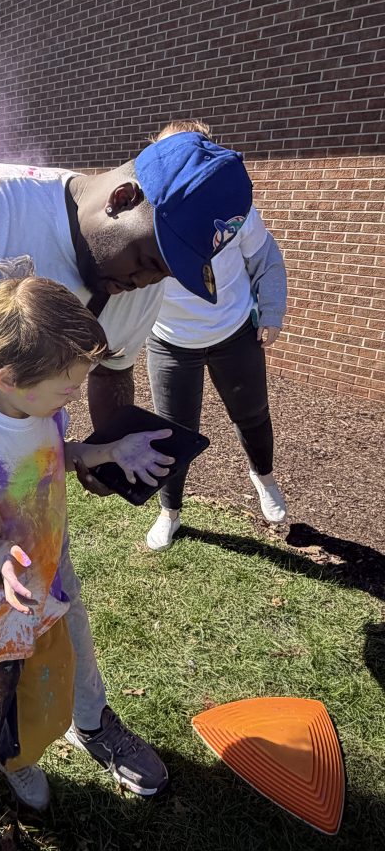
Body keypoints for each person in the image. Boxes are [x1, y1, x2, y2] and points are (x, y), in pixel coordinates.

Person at [0, 133, 254, 845]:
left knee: (57, 599)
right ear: (124, 198)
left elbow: (113, 366)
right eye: (150, 259)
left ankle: (87, 721)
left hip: (24, 473)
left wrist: (108, 449)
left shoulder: (144, 274)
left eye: (168, 270)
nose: (148, 281)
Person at [0, 275, 174, 851]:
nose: (75, 393)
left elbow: (56, 454)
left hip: (43, 606)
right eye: (70, 383)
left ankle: (18, 759)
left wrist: (109, 452)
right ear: (9, 379)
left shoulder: (43, 410)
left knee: (34, 708)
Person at [144, 122, 288, 549]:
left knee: (252, 414)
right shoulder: (144, 209)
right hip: (170, 341)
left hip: (233, 332)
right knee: (174, 432)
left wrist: (271, 311)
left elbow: (266, 259)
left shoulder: (232, 205)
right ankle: (170, 512)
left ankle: (264, 478)